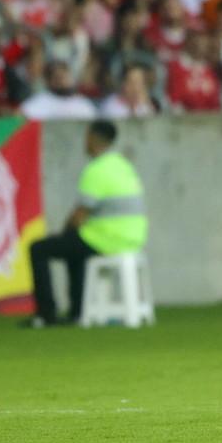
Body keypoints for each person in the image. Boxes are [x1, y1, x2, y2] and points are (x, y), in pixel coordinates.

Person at [22, 120, 148, 327]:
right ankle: (78, 312)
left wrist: (64, 231)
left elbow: (80, 215)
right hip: (133, 238)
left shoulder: (96, 169)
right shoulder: (124, 165)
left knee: (39, 249)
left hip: (107, 238)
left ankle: (45, 315)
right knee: (75, 247)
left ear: (91, 138)